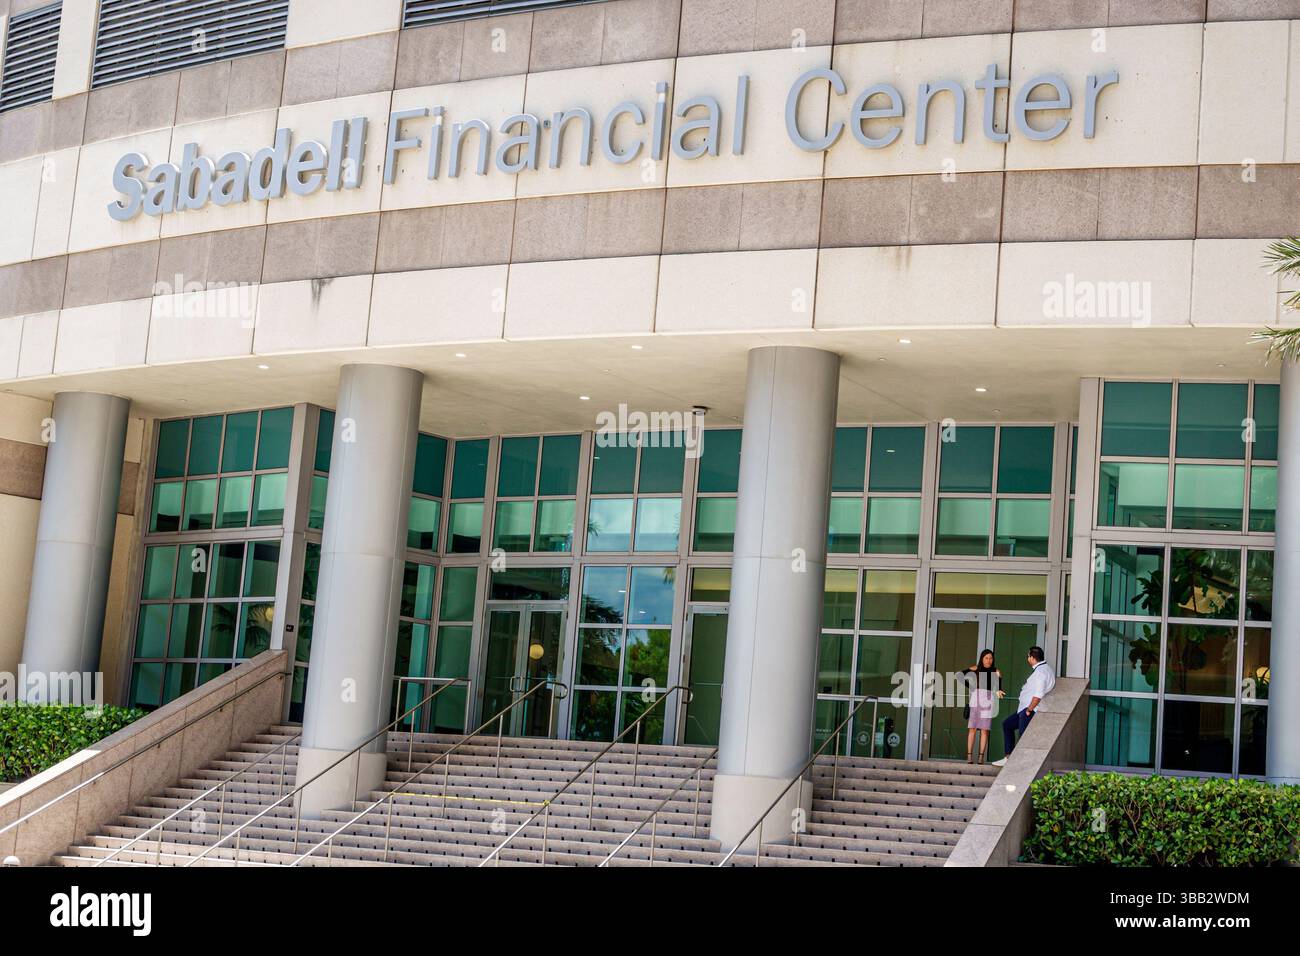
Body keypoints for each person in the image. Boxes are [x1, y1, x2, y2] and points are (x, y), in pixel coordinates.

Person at [991, 646, 1055, 767]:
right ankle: (1008, 757)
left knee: (1023, 735)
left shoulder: (1041, 672)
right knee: (1007, 725)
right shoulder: (1044, 669)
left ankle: (1022, 763)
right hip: (1024, 708)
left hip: (1029, 709)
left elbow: (1038, 694)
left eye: (1028, 656)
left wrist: (1029, 710)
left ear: (1032, 657)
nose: (1028, 659)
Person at [960, 649, 999, 764]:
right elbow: (960, 675)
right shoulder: (975, 668)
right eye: (986, 658)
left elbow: (998, 686)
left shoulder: (995, 671)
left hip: (988, 700)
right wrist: (971, 687)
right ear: (982, 658)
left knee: (985, 730)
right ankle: (969, 756)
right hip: (975, 699)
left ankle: (981, 757)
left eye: (991, 658)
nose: (989, 660)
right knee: (972, 729)